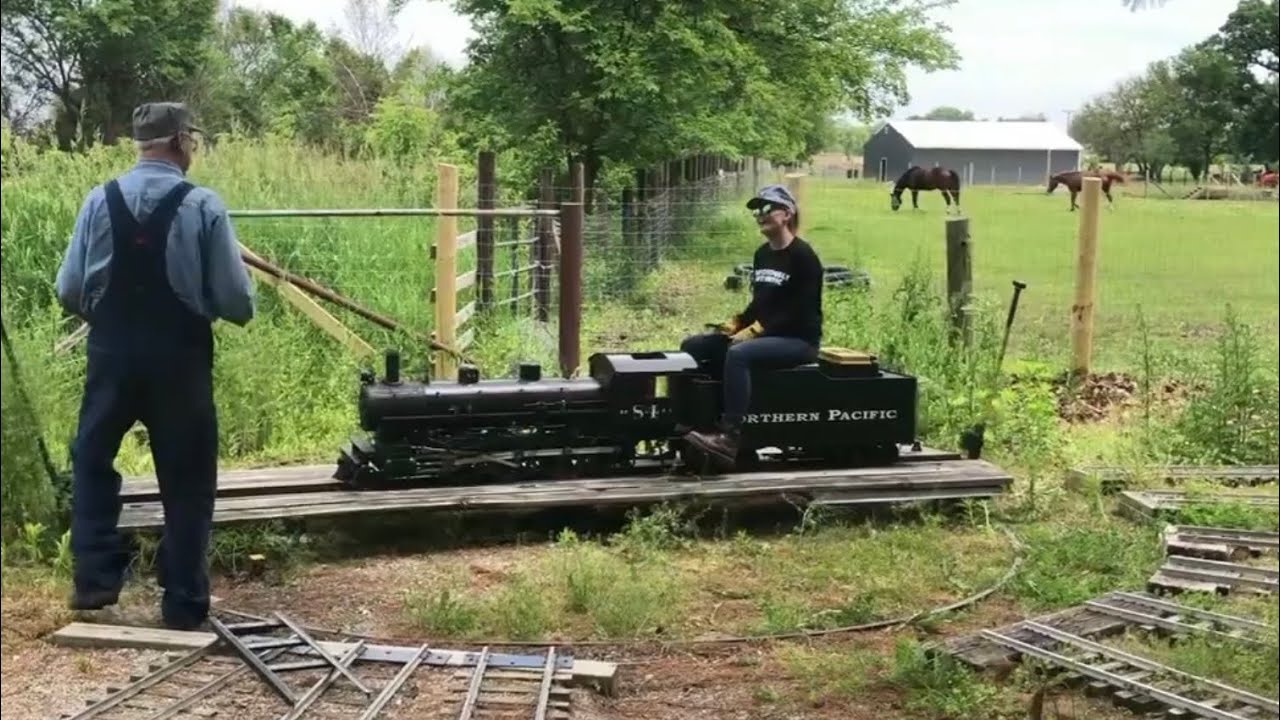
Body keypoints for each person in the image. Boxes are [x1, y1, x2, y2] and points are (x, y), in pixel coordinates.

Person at [54, 102, 255, 630]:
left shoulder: (99, 200)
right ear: (182, 141)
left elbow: (69, 289)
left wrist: (113, 320)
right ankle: (184, 602)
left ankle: (95, 580)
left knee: (92, 459)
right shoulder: (204, 205)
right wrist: (205, 307)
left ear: (141, 145)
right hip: (180, 360)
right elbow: (237, 303)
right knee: (188, 478)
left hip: (112, 354)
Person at [680, 184, 823, 469]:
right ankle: (703, 423)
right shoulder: (762, 255)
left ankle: (731, 437)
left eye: (767, 208)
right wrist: (736, 324)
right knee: (695, 346)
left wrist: (757, 332)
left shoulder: (804, 257)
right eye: (757, 210)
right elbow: (760, 304)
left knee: (739, 354)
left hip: (798, 340)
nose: (760, 214)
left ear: (787, 213)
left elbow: (801, 312)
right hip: (769, 334)